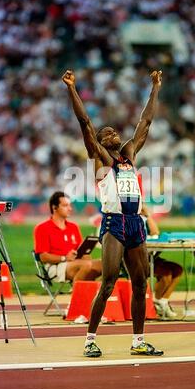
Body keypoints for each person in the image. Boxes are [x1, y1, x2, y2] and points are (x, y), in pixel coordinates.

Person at [62, 68, 164, 357]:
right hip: (114, 224)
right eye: (105, 133)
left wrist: (155, 87)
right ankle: (90, 340)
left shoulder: (129, 155)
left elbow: (146, 121)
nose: (112, 132)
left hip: (135, 223)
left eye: (114, 130)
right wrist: (72, 88)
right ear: (99, 142)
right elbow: (85, 121)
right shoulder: (101, 160)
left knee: (141, 282)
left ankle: (138, 341)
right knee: (108, 283)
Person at [34, 191, 102, 285]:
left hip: (76, 263)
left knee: (103, 265)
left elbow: (80, 250)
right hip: (55, 266)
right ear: (54, 208)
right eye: (65, 205)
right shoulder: (42, 228)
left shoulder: (73, 227)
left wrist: (85, 255)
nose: (70, 209)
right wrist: (64, 258)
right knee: (86, 265)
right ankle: (78, 296)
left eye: (70, 205)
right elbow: (43, 257)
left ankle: (88, 292)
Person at [140, 203, 183, 319]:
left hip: (151, 256)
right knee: (166, 273)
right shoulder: (129, 219)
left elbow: (155, 232)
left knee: (177, 269)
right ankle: (157, 302)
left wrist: (148, 215)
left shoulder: (144, 218)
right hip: (137, 259)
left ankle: (162, 301)